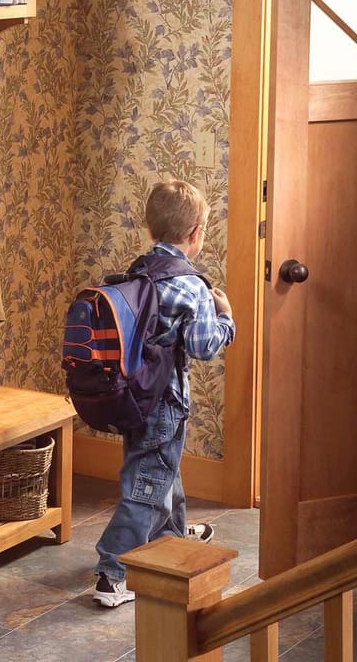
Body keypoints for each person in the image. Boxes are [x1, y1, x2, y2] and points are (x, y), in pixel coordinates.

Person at [93, 179, 236, 608]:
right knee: (146, 485)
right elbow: (203, 345)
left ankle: (171, 539)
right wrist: (226, 317)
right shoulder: (191, 285)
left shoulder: (139, 270)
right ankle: (112, 573)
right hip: (166, 400)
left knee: (161, 470)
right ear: (196, 233)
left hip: (134, 394)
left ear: (150, 227)